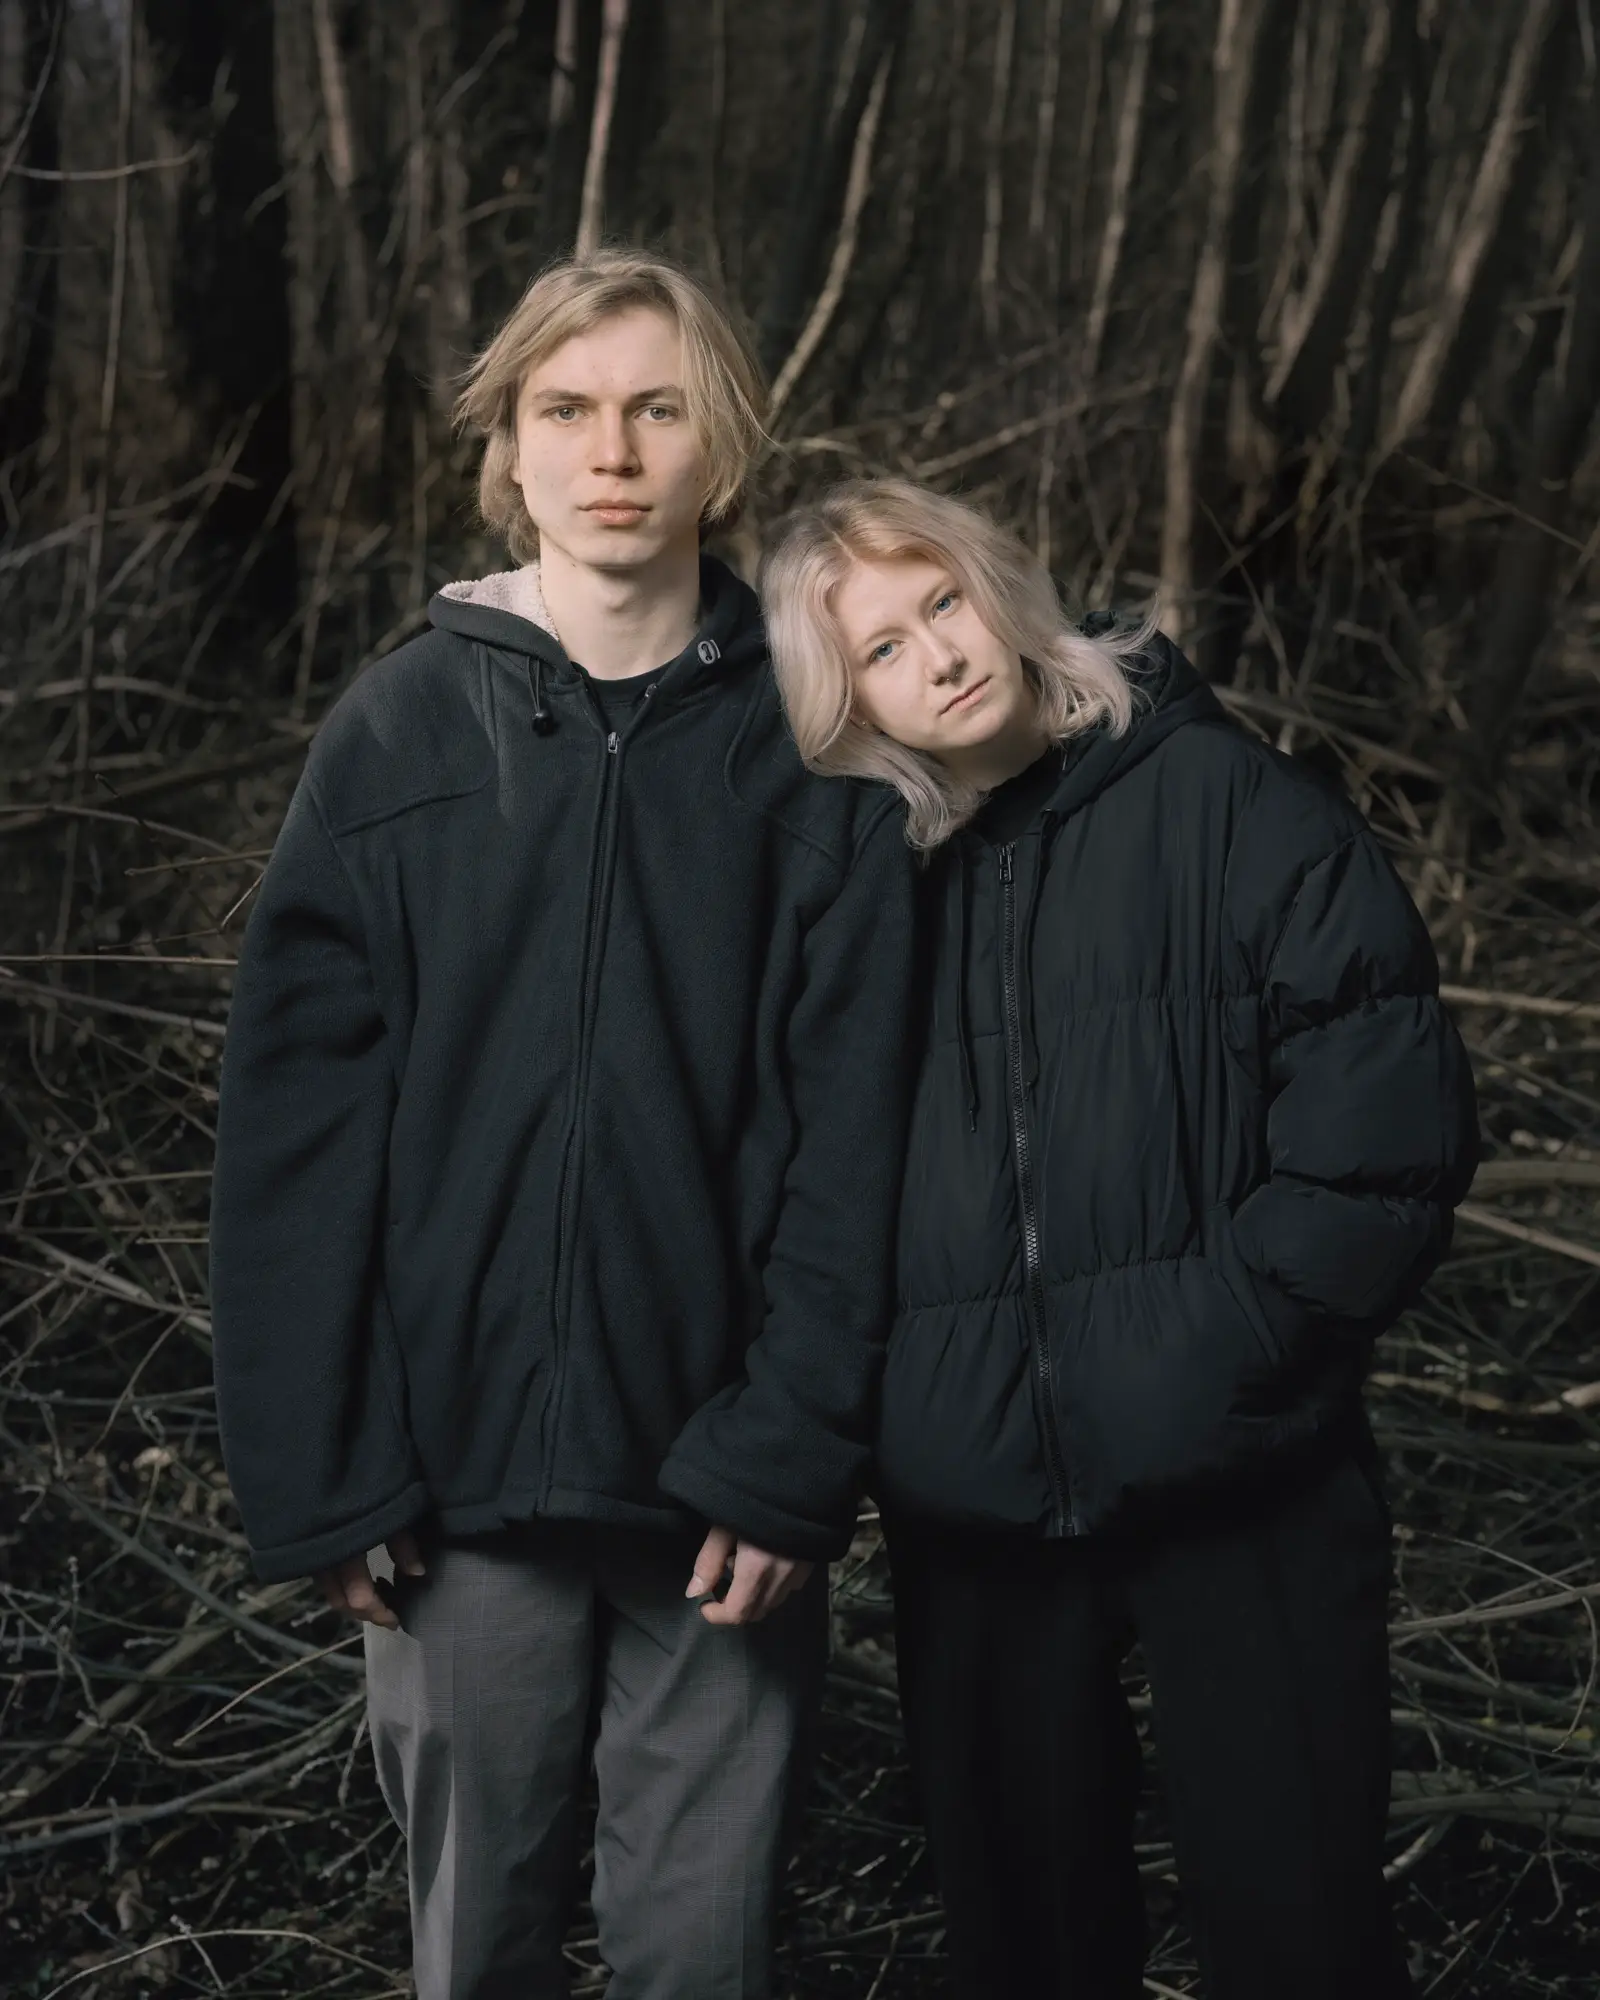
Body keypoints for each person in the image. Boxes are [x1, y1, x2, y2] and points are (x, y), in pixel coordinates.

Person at [209, 256, 916, 2000]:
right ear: (508, 448)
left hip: (718, 1486)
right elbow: (295, 1141)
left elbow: (859, 1143)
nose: (613, 452)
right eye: (568, 410)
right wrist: (326, 1471)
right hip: (452, 1490)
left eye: (658, 409)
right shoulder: (395, 737)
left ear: (719, 446)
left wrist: (791, 1453)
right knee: (480, 1948)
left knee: (701, 1954)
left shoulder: (812, 749)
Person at [760, 477, 1478, 2000]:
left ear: (1000, 588)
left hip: (1248, 1469)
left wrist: (1237, 1341)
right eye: (881, 647)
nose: (939, 656)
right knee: (1024, 1948)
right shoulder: (864, 892)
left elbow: (1384, 1113)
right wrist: (899, 1406)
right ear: (846, 702)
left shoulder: (1226, 801)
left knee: (1299, 1933)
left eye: (943, 601)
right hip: (975, 1510)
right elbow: (797, 1178)